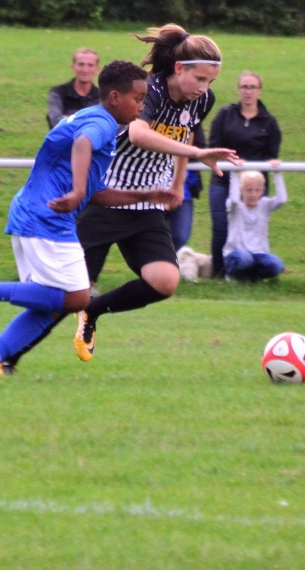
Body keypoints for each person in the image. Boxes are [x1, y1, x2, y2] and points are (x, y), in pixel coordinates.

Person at [0, 60, 182, 380]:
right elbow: (82, 143)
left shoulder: (95, 117)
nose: (142, 107)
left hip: (33, 212)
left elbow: (96, 192)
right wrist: (76, 191)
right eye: (138, 99)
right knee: (77, 298)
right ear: (115, 97)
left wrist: (145, 195)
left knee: (50, 306)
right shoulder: (102, 123)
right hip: (47, 218)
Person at [67, 24, 239, 363]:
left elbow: (187, 134)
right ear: (179, 68)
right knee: (66, 296)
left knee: (165, 281)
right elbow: (138, 134)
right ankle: (1, 345)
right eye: (200, 79)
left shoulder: (202, 100)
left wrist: (177, 184)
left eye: (210, 82)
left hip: (148, 204)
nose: (204, 88)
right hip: (108, 196)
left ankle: (93, 312)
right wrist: (197, 155)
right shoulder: (150, 90)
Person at [208, 72, 282, 276]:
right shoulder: (225, 115)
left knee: (254, 227)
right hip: (223, 181)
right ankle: (218, 272)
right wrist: (230, 162)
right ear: (238, 89)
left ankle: (249, 273)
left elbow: (272, 154)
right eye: (244, 87)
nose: (248, 92)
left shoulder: (269, 121)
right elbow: (213, 146)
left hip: (254, 185)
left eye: (252, 87)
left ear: (259, 90)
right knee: (221, 227)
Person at [223, 165, 286, 281]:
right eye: (248, 190)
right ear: (240, 191)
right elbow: (234, 199)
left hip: (259, 254)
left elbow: (282, 200)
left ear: (262, 190)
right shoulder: (235, 207)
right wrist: (235, 173)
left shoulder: (265, 205)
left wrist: (276, 172)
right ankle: (232, 275)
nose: (253, 194)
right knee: (244, 258)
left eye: (257, 190)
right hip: (237, 253)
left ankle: (252, 278)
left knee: (276, 265)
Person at [165, 123, 206, 251]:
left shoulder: (190, 119)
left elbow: (200, 147)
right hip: (151, 185)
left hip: (184, 186)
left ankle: (168, 259)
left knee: (180, 236)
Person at [46, 48, 100, 128]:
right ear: (73, 67)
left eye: (90, 65)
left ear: (97, 69)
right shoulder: (58, 92)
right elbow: (55, 122)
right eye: (81, 64)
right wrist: (90, 123)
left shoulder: (102, 97)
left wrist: (68, 120)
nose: (85, 70)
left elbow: (106, 125)